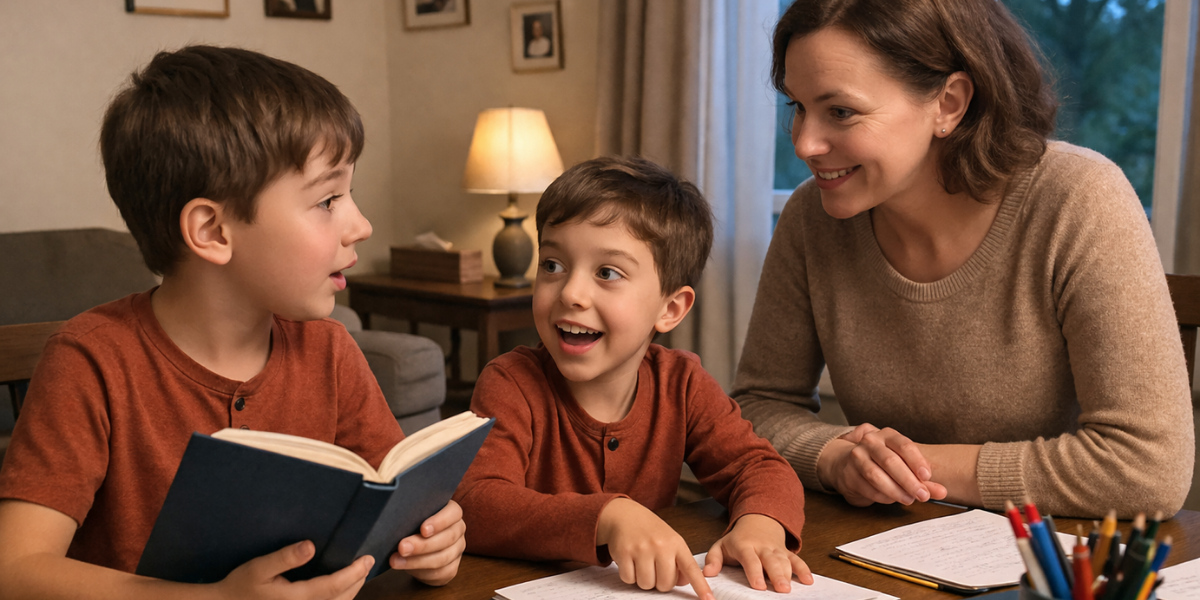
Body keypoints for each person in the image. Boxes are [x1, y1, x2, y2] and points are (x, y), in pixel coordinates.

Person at [0, 45, 466, 599]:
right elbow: (16, 569)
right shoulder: (90, 361)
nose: (360, 225)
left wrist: (433, 541)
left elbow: (395, 500)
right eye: (327, 200)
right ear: (214, 232)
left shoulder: (329, 349)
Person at [733, 0, 1195, 520]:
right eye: (797, 106)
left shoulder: (1079, 198)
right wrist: (836, 458)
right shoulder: (811, 215)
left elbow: (1146, 468)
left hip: (1051, 560)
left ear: (949, 103)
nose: (805, 143)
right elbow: (755, 408)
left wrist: (909, 469)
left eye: (840, 111)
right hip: (879, 548)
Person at [453, 156, 812, 599]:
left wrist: (761, 525)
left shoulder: (682, 383)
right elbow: (476, 502)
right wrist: (609, 517)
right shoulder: (510, 383)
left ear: (670, 309)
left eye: (607, 273)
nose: (570, 293)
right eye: (552, 265)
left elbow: (759, 467)